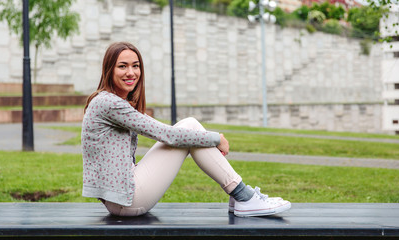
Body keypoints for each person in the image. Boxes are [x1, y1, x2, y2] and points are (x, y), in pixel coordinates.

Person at [81, 42, 291, 217]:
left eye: (136, 66)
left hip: (121, 198)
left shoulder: (112, 103)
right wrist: (216, 138)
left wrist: (206, 139)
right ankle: (243, 196)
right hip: (127, 201)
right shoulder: (109, 103)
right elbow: (168, 135)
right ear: (109, 70)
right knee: (189, 127)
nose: (131, 72)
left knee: (189, 129)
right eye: (122, 66)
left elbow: (165, 131)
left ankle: (241, 196)